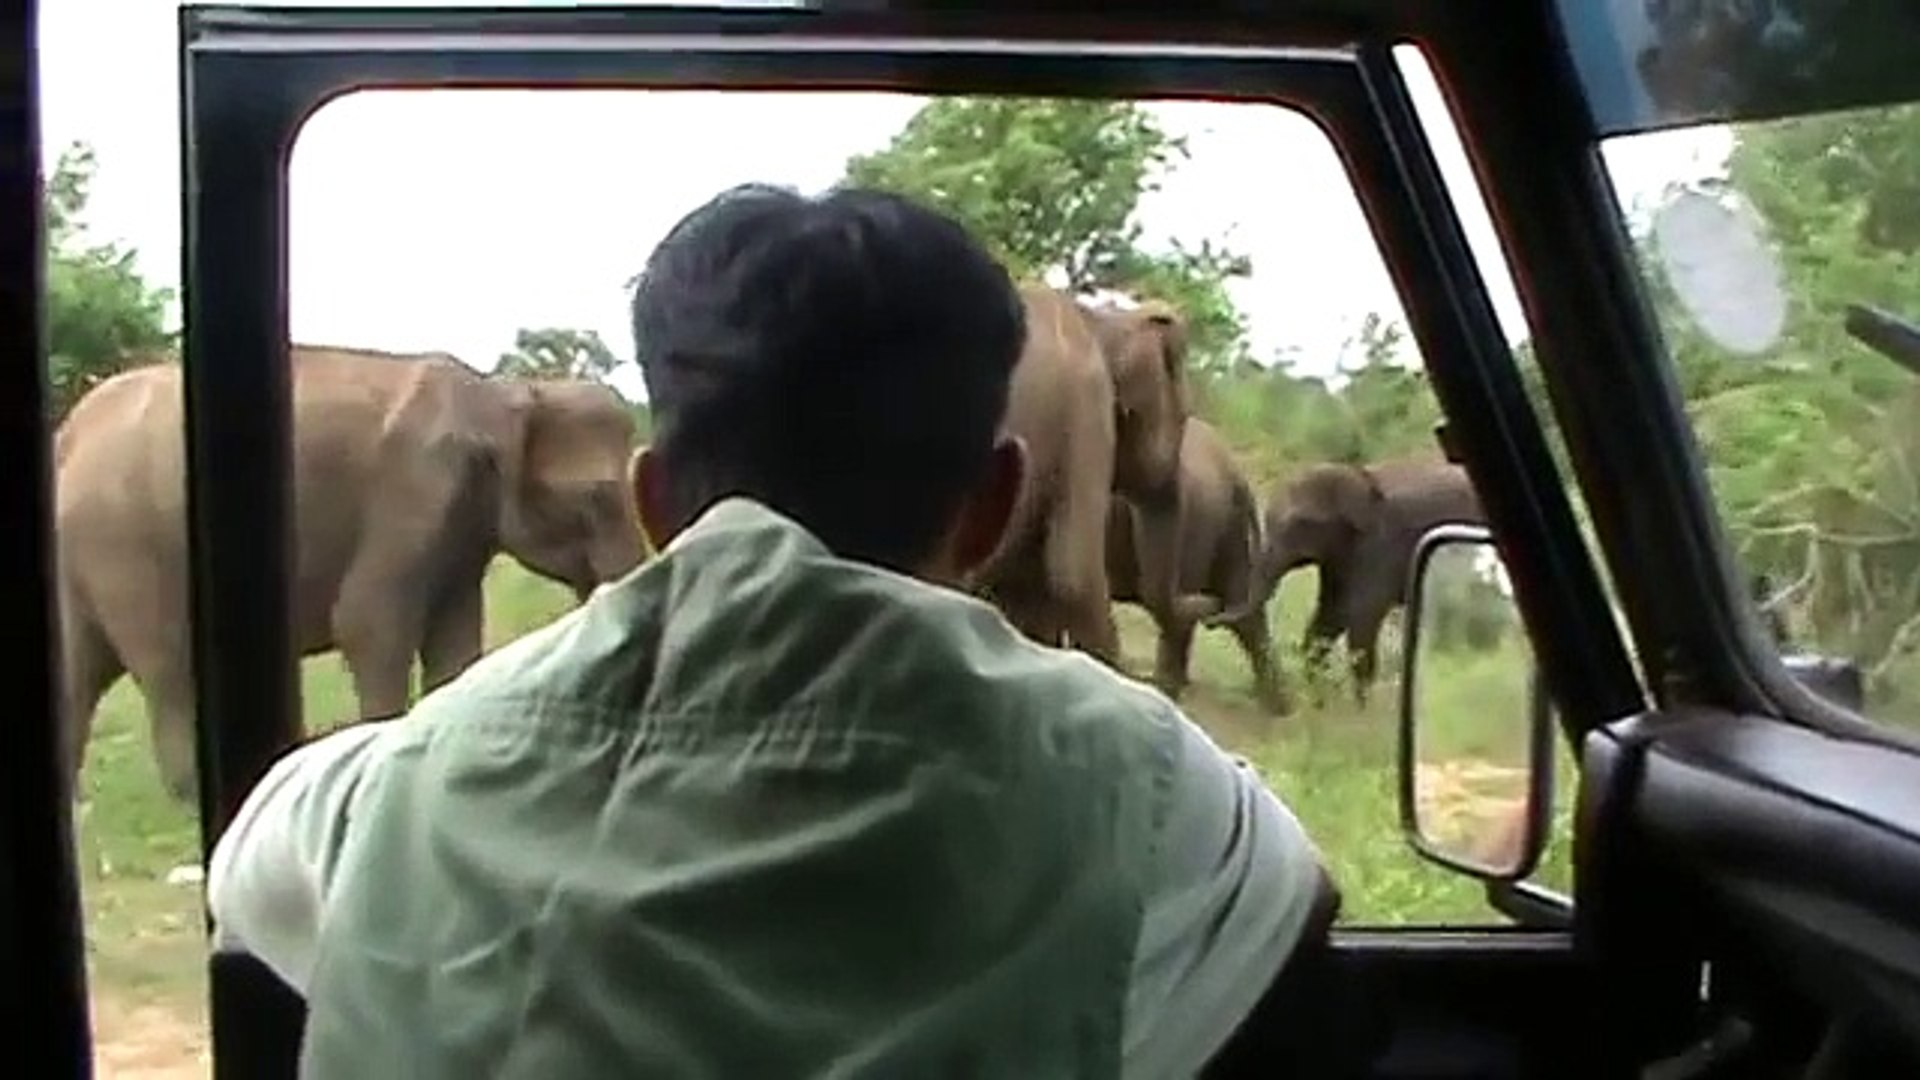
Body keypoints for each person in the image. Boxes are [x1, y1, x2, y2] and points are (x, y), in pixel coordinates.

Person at [207, 183, 1342, 1078]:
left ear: (651, 505)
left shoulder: (369, 795)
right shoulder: (1155, 796)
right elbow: (1292, 928)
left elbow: (249, 902)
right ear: (994, 506)